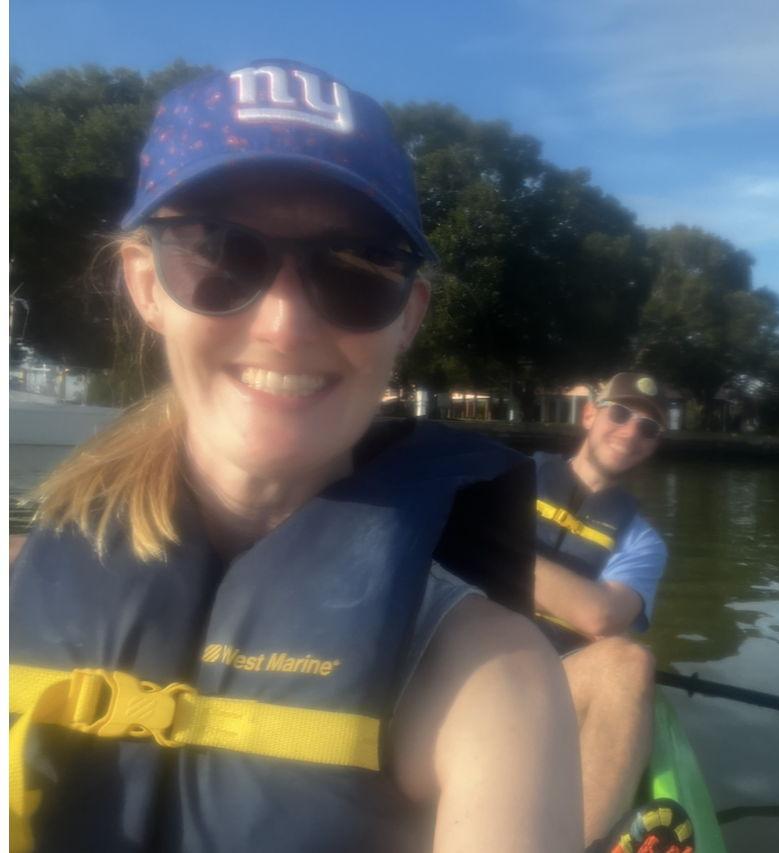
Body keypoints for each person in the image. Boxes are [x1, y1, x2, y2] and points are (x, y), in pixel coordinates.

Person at [10, 59, 583, 853]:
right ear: (146, 285)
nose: (283, 323)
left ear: (408, 315)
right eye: (217, 251)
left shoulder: (492, 680)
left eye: (356, 269)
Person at [533, 373, 668, 847]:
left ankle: (577, 843)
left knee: (629, 661)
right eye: (620, 413)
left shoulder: (643, 541)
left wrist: (496, 553)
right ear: (590, 414)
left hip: (550, 688)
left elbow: (603, 617)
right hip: (455, 665)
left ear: (651, 446)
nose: (631, 431)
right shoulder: (504, 477)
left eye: (648, 429)